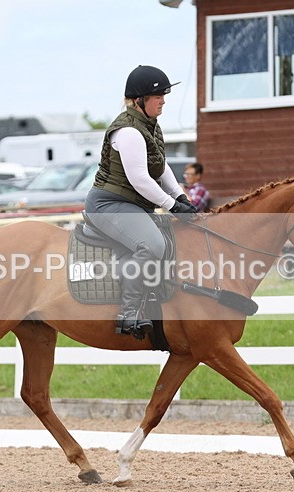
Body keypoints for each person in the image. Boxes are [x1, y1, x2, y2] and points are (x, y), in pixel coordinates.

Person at [85, 65, 197, 338]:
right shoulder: (128, 131)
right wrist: (172, 206)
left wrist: (181, 195)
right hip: (108, 204)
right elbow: (140, 179)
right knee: (152, 244)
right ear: (139, 100)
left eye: (164, 96)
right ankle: (130, 312)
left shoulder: (149, 126)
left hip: (132, 204)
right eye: (157, 96)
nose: (163, 100)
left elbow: (161, 168)